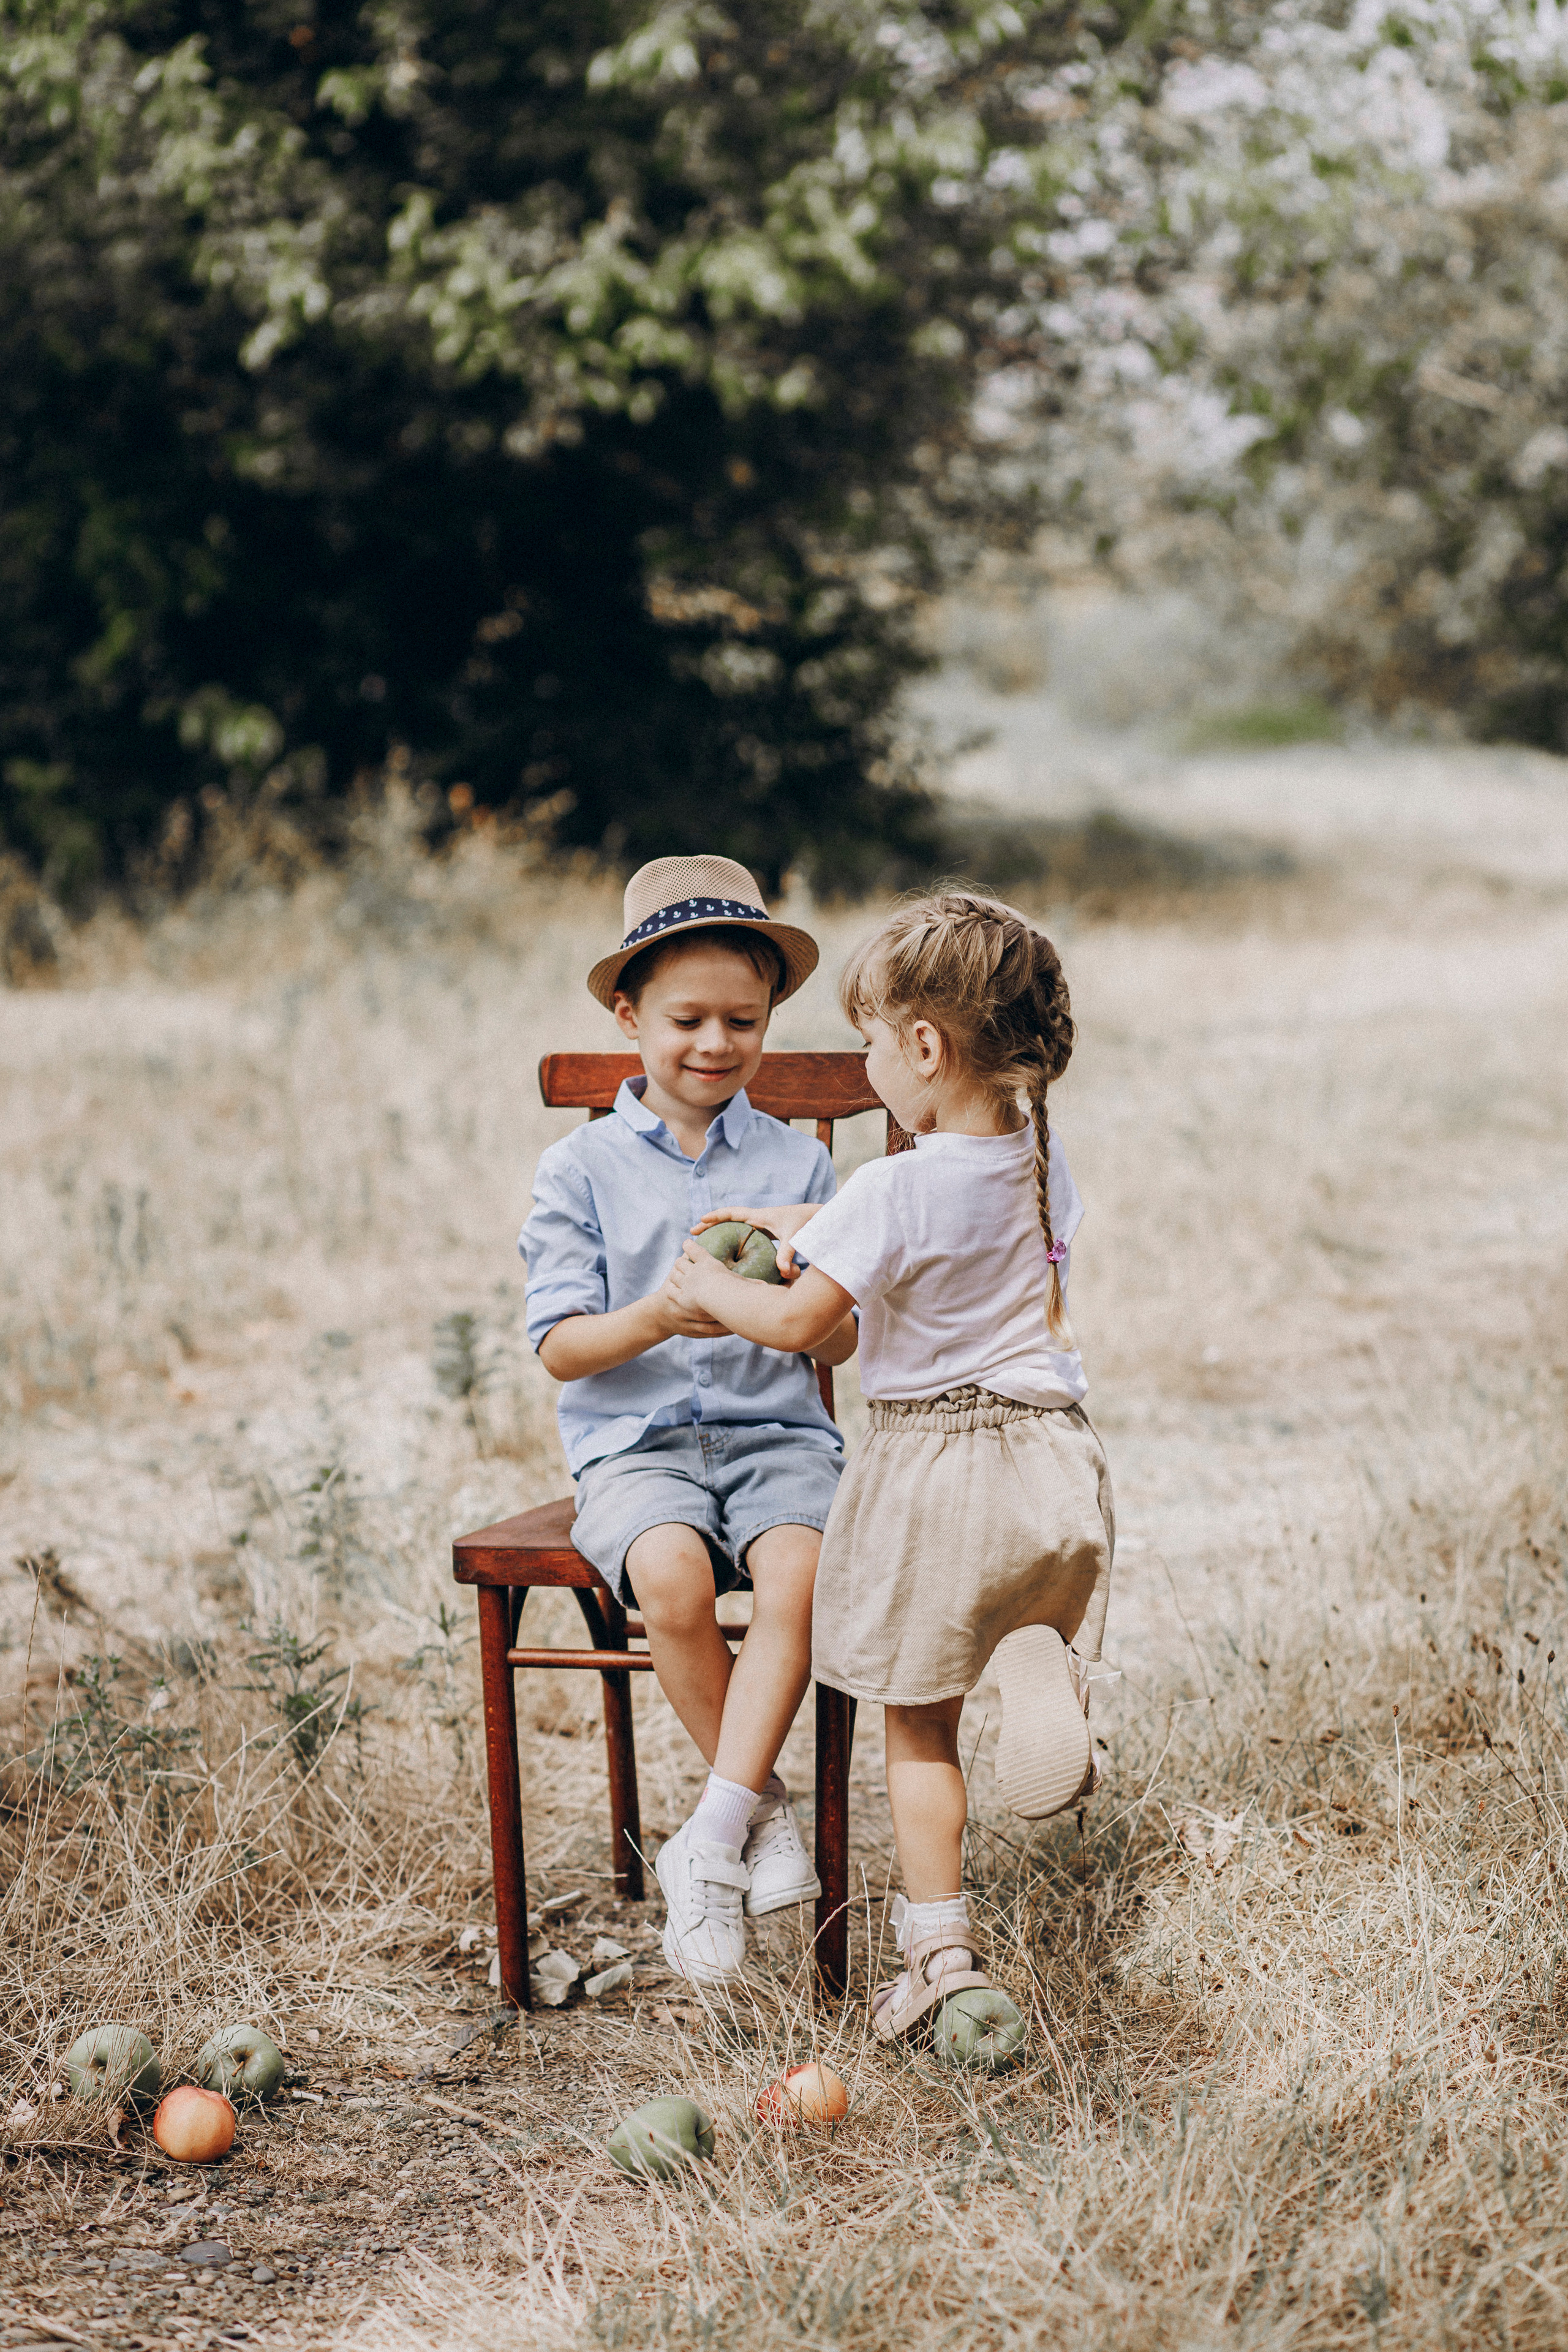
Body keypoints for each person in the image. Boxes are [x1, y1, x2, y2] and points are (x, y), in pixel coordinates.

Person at [669, 890, 1114, 2043]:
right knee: (1007, 1629)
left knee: (918, 1726)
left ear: (923, 1048)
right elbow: (902, 1233)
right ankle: (1040, 1656)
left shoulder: (893, 1188)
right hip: (1050, 1468)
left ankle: (940, 1954)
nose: (867, 1060)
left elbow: (802, 1320)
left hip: (936, 1473)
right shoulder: (1041, 1165)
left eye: (871, 1039)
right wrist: (795, 1217)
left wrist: (707, 1287)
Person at [519, 854, 859, 1989]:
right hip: (639, 1445)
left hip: (777, 1439)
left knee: (802, 1577)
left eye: (743, 1022)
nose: (716, 1044)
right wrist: (662, 1312)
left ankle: (704, 1838)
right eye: (687, 1019)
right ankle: (758, 1816)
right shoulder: (578, 1170)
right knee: (666, 1579)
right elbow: (561, 1344)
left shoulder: (796, 1161)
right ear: (629, 1015)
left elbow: (839, 1341)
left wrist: (794, 1314)